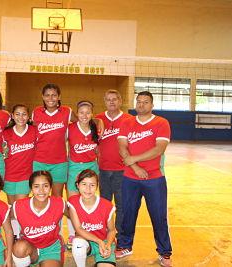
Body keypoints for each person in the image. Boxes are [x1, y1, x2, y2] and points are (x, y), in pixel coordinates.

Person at [116, 91, 173, 267]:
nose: (141, 105)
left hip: (155, 178)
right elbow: (122, 147)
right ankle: (125, 245)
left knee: (158, 216)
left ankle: (164, 252)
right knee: (127, 213)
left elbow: (159, 149)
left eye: (145, 102)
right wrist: (135, 166)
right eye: (138, 102)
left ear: (152, 105)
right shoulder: (126, 122)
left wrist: (134, 159)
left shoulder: (161, 123)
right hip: (130, 177)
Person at [95, 89, 132, 242]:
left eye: (115, 99)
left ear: (120, 101)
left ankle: (119, 235)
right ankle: (104, 232)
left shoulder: (129, 119)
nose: (111, 102)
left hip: (122, 170)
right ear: (104, 101)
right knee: (104, 203)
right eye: (108, 99)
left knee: (122, 204)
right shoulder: (98, 119)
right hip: (103, 170)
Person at [11, 171, 65, 267]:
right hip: (30, 247)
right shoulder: (19, 206)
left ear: (50, 187)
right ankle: (25, 263)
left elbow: (78, 214)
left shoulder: (59, 203)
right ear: (31, 188)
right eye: (36, 186)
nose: (41, 191)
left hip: (51, 248)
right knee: (19, 248)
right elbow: (0, 220)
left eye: (45, 186)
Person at [66, 100, 99, 247]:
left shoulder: (97, 127)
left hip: (92, 167)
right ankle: (73, 235)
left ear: (92, 114)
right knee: (73, 204)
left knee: (87, 202)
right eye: (81, 112)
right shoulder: (70, 128)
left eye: (87, 112)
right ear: (76, 114)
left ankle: (87, 233)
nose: (84, 115)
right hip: (74, 167)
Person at [68, 169, 116, 267]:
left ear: (97, 186)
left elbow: (112, 230)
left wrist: (108, 245)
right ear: (78, 185)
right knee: (78, 244)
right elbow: (78, 229)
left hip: (104, 241)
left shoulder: (107, 205)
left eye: (92, 185)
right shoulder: (73, 202)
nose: (88, 189)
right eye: (84, 184)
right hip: (86, 240)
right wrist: (99, 241)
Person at [31, 84, 72, 198]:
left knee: (57, 196)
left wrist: (98, 121)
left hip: (59, 162)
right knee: (40, 195)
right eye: (47, 95)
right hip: (39, 160)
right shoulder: (36, 112)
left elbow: (83, 120)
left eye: (54, 95)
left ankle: (55, 217)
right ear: (43, 97)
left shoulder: (67, 112)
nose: (50, 98)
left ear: (59, 96)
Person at [2, 104, 37, 239]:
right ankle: (16, 235)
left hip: (26, 175)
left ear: (28, 117)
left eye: (24, 114)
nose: (21, 117)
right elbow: (3, 154)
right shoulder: (6, 133)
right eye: (17, 114)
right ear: (12, 115)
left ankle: (23, 235)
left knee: (20, 208)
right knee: (12, 207)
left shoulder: (34, 131)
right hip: (9, 175)